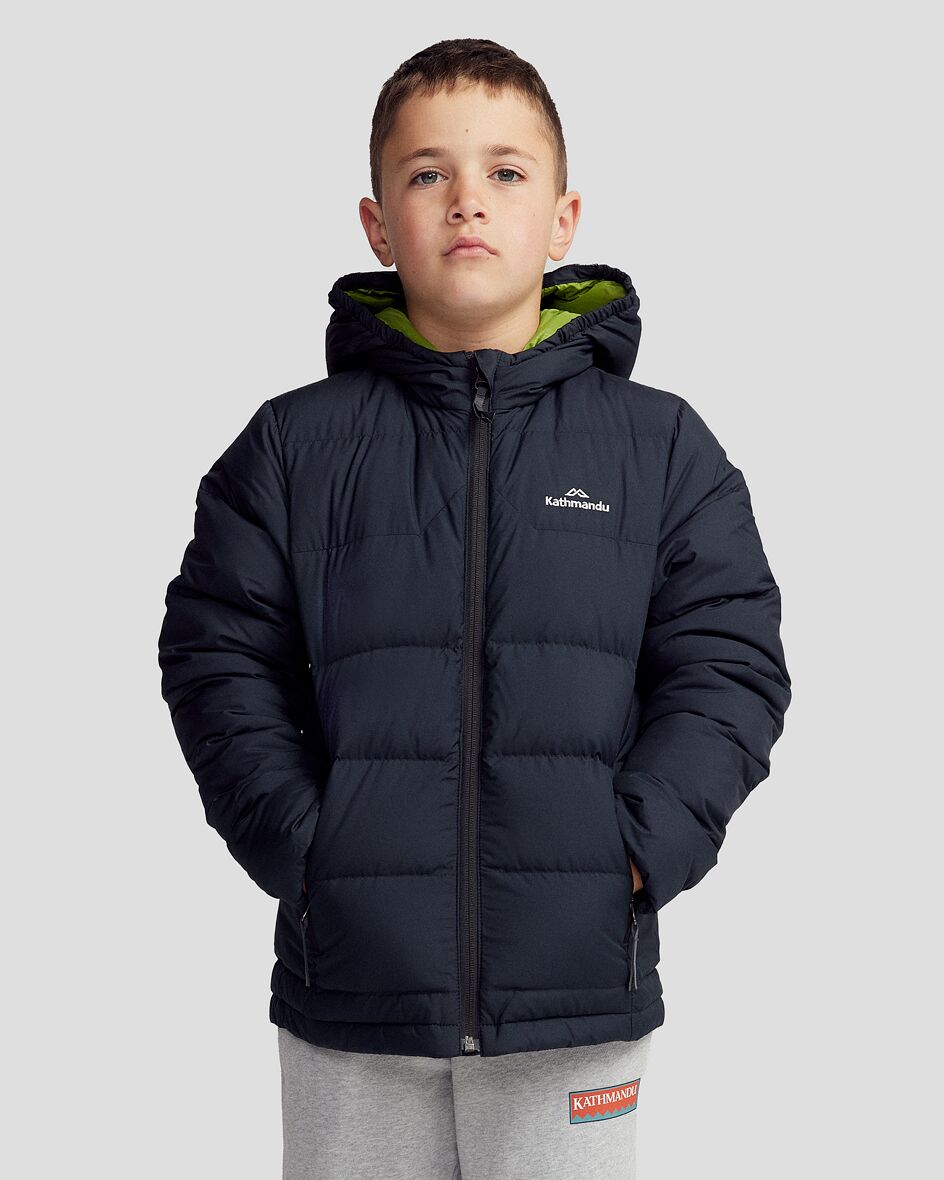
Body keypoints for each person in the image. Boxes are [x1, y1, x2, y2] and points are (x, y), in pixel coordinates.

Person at [157, 37, 791, 1180]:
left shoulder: (659, 449)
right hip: (354, 995)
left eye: (504, 171)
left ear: (561, 219)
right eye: (426, 174)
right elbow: (215, 657)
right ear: (376, 224)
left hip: (571, 995)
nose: (466, 201)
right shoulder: (293, 448)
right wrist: (308, 848)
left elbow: (728, 663)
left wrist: (631, 851)